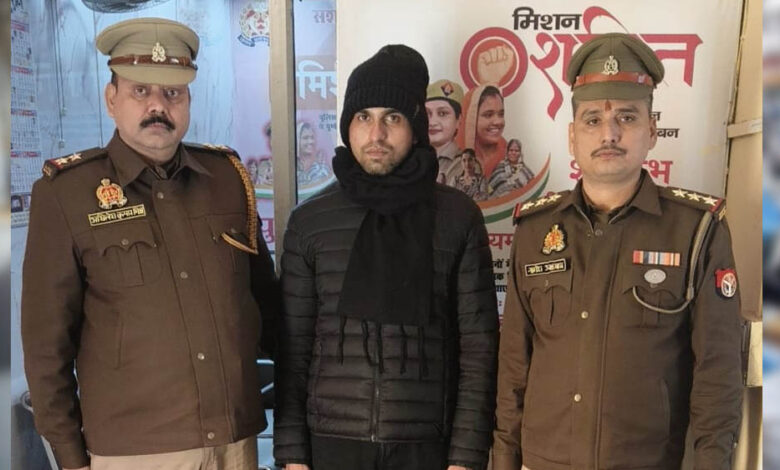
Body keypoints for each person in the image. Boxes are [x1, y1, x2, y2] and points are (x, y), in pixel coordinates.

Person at [21, 17, 280, 470]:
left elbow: (267, 307)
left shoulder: (226, 179)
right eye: (140, 90)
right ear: (112, 99)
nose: (158, 105)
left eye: (173, 92)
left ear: (188, 101)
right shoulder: (67, 194)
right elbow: (46, 345)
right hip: (133, 451)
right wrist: (69, 455)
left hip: (235, 444)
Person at [492, 32, 745, 470]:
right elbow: (514, 364)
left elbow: (717, 373)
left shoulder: (695, 230)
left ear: (651, 131)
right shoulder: (535, 230)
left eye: (626, 117)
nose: (608, 133)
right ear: (572, 137)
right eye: (592, 120)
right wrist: (503, 461)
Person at [273, 44, 499, 470]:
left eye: (392, 118)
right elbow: (293, 348)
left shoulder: (456, 218)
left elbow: (478, 349)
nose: (376, 134)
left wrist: (467, 457)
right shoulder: (311, 221)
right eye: (363, 117)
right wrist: (291, 454)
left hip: (428, 448)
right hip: (331, 447)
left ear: (415, 126)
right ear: (348, 125)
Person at [456, 84, 506, 179]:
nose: (498, 122)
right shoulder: (454, 161)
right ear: (470, 119)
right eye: (488, 115)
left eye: (501, 114)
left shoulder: (510, 156)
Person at [426, 79, 464, 185]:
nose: (432, 122)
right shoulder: (413, 158)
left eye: (442, 113)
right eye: (427, 113)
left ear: (458, 120)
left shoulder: (463, 163)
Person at [296, 121, 331, 187]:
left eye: (312, 137)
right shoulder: (292, 168)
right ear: (297, 140)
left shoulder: (322, 168)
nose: (311, 141)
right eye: (305, 138)